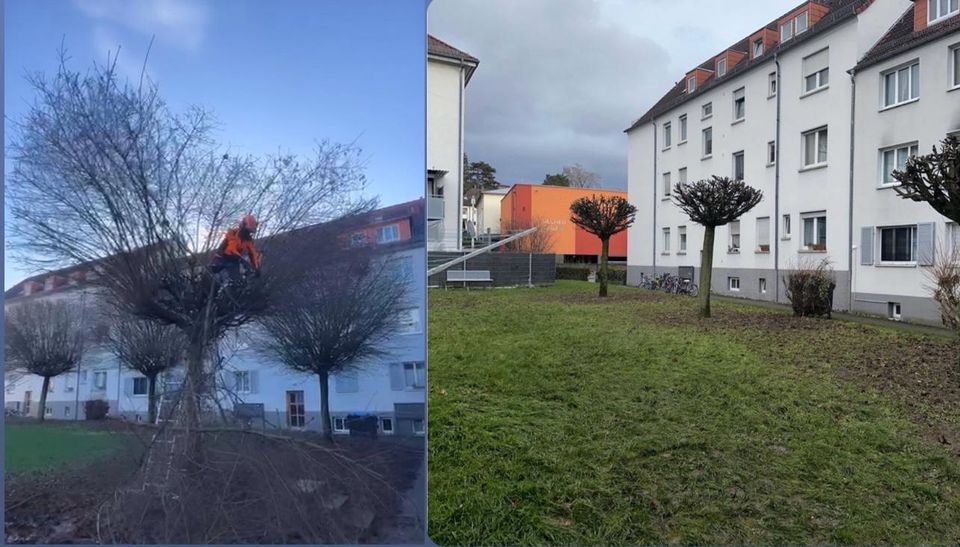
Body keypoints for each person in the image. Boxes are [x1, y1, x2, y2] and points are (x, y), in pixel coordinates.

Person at [210, 214, 261, 283]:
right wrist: (242, 260)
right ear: (243, 226)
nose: (248, 233)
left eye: (250, 231)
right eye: (247, 230)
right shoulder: (233, 233)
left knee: (237, 281)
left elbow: (253, 253)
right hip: (222, 258)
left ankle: (232, 287)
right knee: (212, 274)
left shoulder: (248, 240)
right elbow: (231, 249)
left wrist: (256, 267)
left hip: (234, 261)